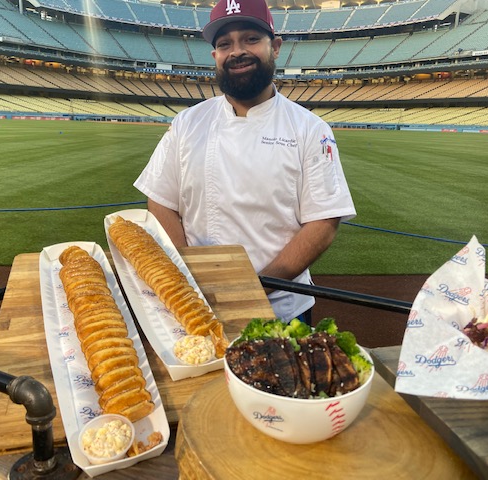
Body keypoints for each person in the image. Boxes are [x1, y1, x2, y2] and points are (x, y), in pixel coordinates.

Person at [133, 0, 356, 324]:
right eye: (225, 44)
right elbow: (161, 200)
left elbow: (323, 223)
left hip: (280, 309)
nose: (237, 51)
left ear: (275, 47)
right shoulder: (188, 123)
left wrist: (255, 285)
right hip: (196, 303)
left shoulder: (309, 129)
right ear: (215, 56)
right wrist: (186, 270)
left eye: (251, 39)